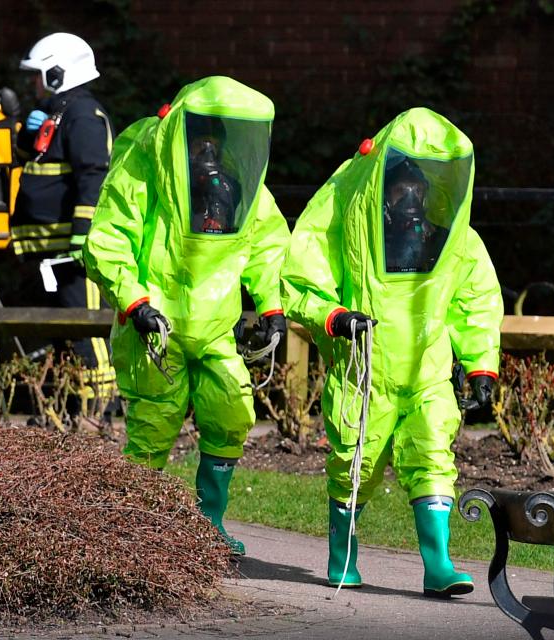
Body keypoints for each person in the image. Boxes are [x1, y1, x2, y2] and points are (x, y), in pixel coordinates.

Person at [280, 108, 502, 597]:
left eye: (418, 188)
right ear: (380, 185)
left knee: (432, 455)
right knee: (352, 464)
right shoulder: (344, 214)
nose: (410, 199)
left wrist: (482, 363)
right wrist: (336, 317)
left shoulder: (451, 239)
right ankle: (343, 558)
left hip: (427, 372)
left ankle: (439, 564)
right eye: (400, 188)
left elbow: (476, 300)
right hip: (364, 370)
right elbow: (300, 279)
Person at [83, 76, 290, 554]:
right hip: (156, 325)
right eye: (199, 143)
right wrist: (135, 302)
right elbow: (109, 239)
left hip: (216, 326)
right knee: (154, 426)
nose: (209, 155)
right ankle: (131, 532)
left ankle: (207, 526)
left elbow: (264, 244)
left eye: (215, 143)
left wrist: (272, 305)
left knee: (231, 412)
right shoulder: (145, 166)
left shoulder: (239, 183)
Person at [12, 32, 117, 413]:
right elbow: (36, 160)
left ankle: (97, 413)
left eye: (38, 75)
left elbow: (94, 181)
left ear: (58, 73)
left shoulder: (84, 118)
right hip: (47, 250)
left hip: (72, 253)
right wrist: (27, 136)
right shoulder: (59, 113)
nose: (32, 84)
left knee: (84, 330)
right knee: (59, 334)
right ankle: (63, 410)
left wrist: (82, 238)